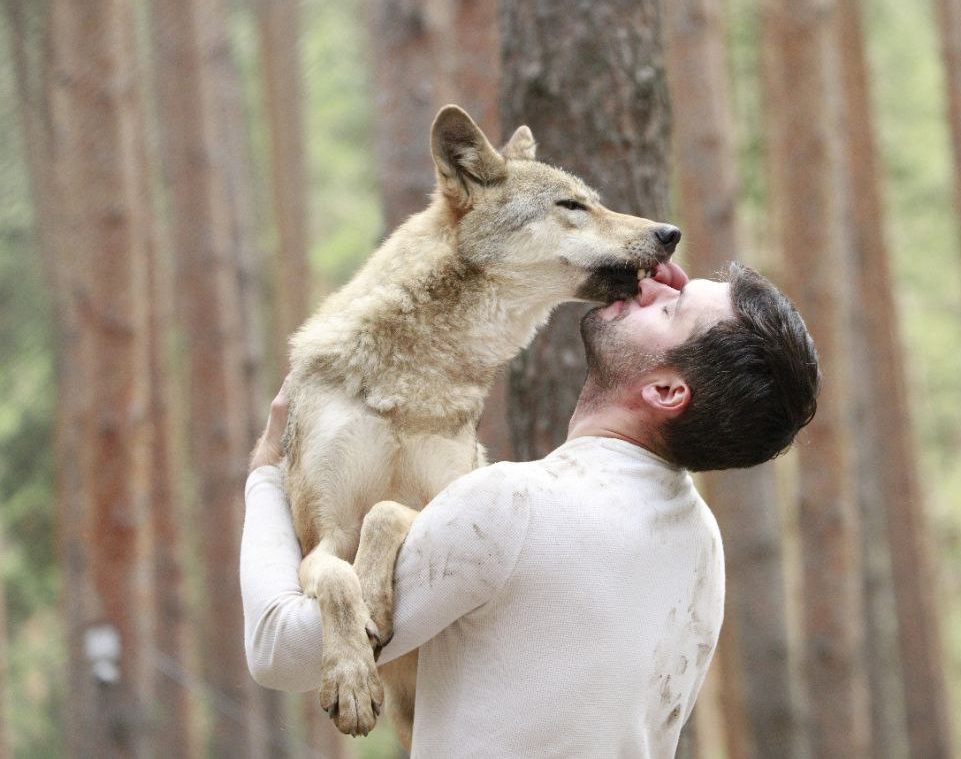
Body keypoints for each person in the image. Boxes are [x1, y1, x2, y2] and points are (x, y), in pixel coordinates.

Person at [240, 262, 819, 757]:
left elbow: (280, 649)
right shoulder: (701, 546)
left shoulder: (511, 507)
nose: (650, 287)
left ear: (666, 392)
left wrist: (267, 473)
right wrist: (678, 306)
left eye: (671, 309)